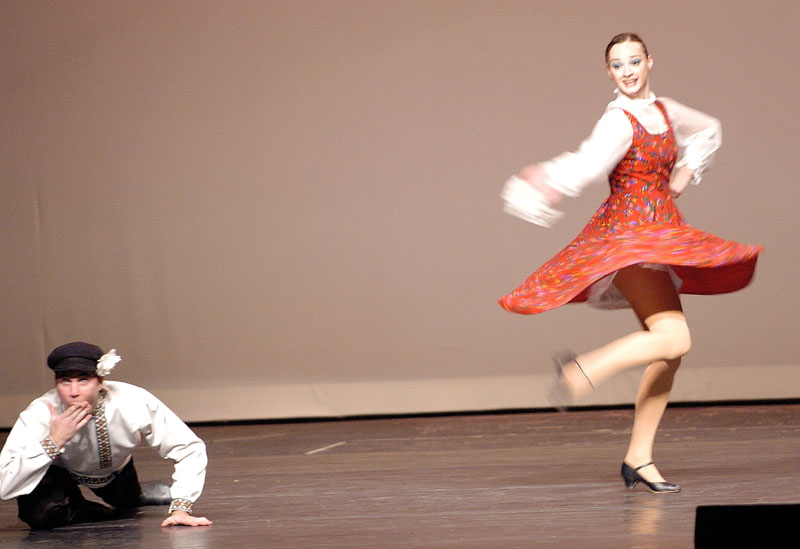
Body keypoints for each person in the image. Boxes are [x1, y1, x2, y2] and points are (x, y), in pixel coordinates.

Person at [499, 33, 762, 493]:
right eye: (618, 65)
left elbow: (709, 129)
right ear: (609, 73)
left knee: (671, 354)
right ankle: (579, 372)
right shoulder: (618, 120)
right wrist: (546, 183)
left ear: (649, 62)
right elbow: (587, 164)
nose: (627, 71)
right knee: (674, 337)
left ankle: (639, 458)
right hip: (630, 239)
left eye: (634, 61)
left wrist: (686, 171)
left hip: (660, 235)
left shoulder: (665, 111)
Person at [0, 342, 212, 528]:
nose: (74, 391)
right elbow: (4, 484)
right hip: (57, 475)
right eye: (65, 381)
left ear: (100, 381)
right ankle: (78, 507)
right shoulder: (39, 413)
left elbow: (189, 447)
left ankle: (137, 495)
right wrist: (54, 441)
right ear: (56, 382)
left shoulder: (131, 400)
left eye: (83, 380)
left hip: (116, 473)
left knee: (126, 503)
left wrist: (181, 508)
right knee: (42, 517)